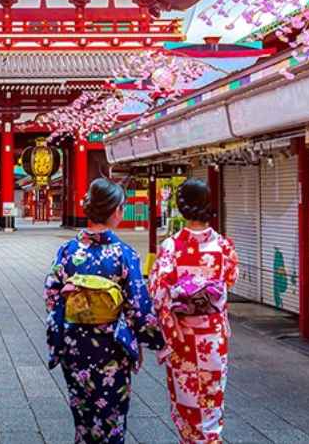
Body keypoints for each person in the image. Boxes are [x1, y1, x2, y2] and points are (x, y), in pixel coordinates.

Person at [44, 178, 164, 444]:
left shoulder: (68, 251)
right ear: (116, 211)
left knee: (83, 415)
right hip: (111, 346)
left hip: (74, 344)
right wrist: (150, 341)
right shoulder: (124, 253)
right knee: (112, 416)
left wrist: (65, 321)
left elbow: (52, 294)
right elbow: (138, 306)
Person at [148, 177, 239, 444]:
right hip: (212, 338)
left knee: (186, 402)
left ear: (182, 207)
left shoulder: (171, 248)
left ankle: (190, 440)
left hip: (183, 337)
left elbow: (157, 292)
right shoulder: (224, 247)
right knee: (211, 400)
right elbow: (229, 280)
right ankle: (210, 439)